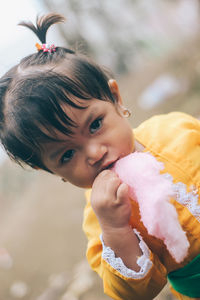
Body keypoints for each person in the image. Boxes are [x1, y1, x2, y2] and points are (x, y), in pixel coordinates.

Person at [0, 13, 199, 300]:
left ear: (115, 98)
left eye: (95, 125)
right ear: (49, 169)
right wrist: (116, 230)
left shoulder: (174, 127)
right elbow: (134, 293)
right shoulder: (100, 218)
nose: (95, 153)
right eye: (67, 154)